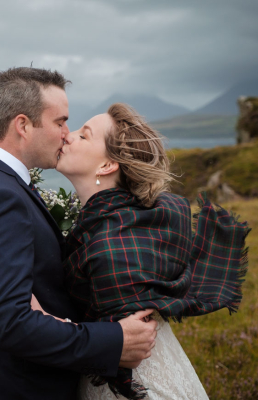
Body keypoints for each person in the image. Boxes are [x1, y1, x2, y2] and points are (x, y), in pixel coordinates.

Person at [0, 68, 158, 400]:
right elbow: (9, 322)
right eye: (60, 122)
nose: (66, 133)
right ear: (23, 125)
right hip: (14, 387)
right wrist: (114, 341)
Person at [42, 102, 249, 399]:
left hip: (135, 386)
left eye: (84, 135)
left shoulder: (109, 244)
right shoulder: (117, 222)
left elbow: (116, 332)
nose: (67, 136)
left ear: (106, 166)